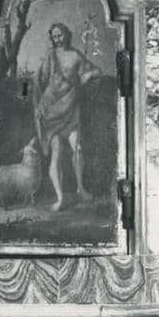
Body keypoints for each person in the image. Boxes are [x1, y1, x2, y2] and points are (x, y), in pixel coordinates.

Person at [33, 22, 101, 211]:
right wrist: (38, 105)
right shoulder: (50, 56)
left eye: (60, 35)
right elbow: (39, 82)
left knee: (77, 148)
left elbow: (97, 71)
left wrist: (88, 75)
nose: (57, 39)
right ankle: (60, 197)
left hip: (70, 107)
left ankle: (81, 188)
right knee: (56, 153)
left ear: (66, 34)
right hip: (51, 110)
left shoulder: (76, 55)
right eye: (54, 36)